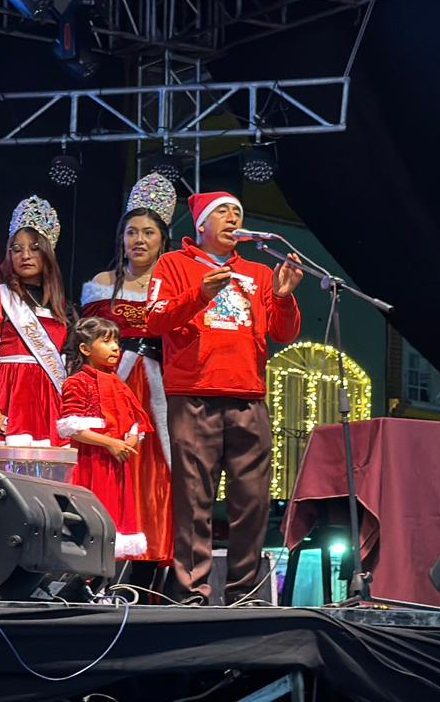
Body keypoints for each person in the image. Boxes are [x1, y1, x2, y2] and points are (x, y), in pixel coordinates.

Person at [145, 191, 303, 605]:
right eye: (223, 213)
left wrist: (284, 297)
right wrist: (199, 294)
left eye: (238, 212)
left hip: (248, 394)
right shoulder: (174, 264)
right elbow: (155, 318)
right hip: (194, 394)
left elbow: (284, 334)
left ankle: (246, 593)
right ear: (200, 225)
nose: (233, 218)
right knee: (194, 500)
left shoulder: (259, 272)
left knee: (252, 502)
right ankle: (190, 593)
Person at [79, 172, 178, 564]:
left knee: (156, 473)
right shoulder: (103, 283)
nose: (139, 240)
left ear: (162, 240)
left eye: (148, 233)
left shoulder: (172, 286)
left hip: (159, 390)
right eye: (132, 232)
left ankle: (156, 560)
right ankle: (104, 560)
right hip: (111, 392)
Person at [57, 317, 154, 559]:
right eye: (106, 341)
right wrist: (111, 443)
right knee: (91, 519)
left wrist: (130, 440)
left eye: (117, 342)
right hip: (91, 466)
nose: (115, 348)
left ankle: (104, 585)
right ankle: (85, 583)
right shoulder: (77, 383)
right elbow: (73, 428)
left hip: (116, 467)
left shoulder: (119, 384)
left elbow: (134, 420)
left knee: (115, 521)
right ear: (85, 348)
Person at [0, 195, 70, 447]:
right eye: (17, 249)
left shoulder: (65, 309)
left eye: (34, 248)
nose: (25, 255)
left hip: (50, 400)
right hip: (9, 395)